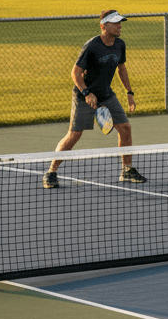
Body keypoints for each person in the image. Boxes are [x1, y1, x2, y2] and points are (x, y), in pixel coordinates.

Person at [42, 10, 144, 189]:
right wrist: (87, 93)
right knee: (74, 135)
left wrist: (129, 92)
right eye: (115, 23)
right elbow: (75, 73)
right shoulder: (92, 46)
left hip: (106, 94)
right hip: (84, 95)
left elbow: (122, 69)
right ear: (103, 26)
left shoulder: (120, 44)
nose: (120, 26)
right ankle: (51, 171)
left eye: (121, 23)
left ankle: (127, 170)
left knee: (125, 128)